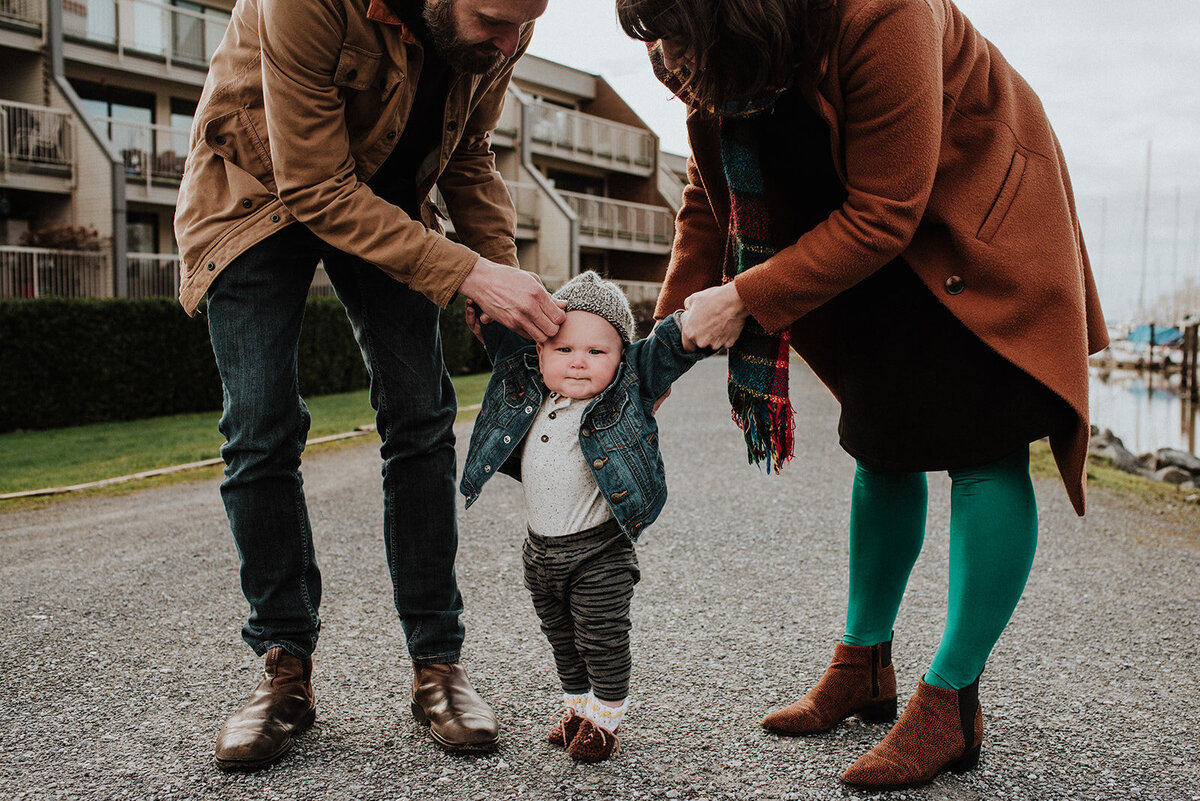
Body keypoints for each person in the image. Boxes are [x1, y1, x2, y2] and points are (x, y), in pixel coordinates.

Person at [617, 0, 1108, 791]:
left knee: (983, 452)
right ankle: (864, 664)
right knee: (883, 446)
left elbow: (888, 208)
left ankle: (952, 699)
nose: (671, 58)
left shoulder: (884, 12)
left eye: (682, 39)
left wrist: (743, 296)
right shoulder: (691, 42)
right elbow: (708, 194)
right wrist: (662, 347)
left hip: (973, 214)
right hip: (863, 231)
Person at [173, 0, 566, 771]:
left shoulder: (499, 26)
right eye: (495, 20)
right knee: (260, 427)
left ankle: (438, 664)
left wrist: (499, 280)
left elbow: (470, 155)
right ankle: (284, 670)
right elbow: (315, 188)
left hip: (385, 204)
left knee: (421, 415)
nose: (511, 42)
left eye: (525, 24)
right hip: (257, 195)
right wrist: (467, 273)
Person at [459, 271, 709, 762]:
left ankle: (607, 717)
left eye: (597, 352)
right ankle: (577, 707)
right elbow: (504, 331)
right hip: (539, 552)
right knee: (562, 639)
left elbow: (667, 346)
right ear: (540, 354)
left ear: (621, 359)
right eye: (564, 350)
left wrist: (699, 320)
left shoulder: (626, 391)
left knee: (601, 637)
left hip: (599, 551)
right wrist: (488, 314)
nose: (578, 362)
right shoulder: (525, 381)